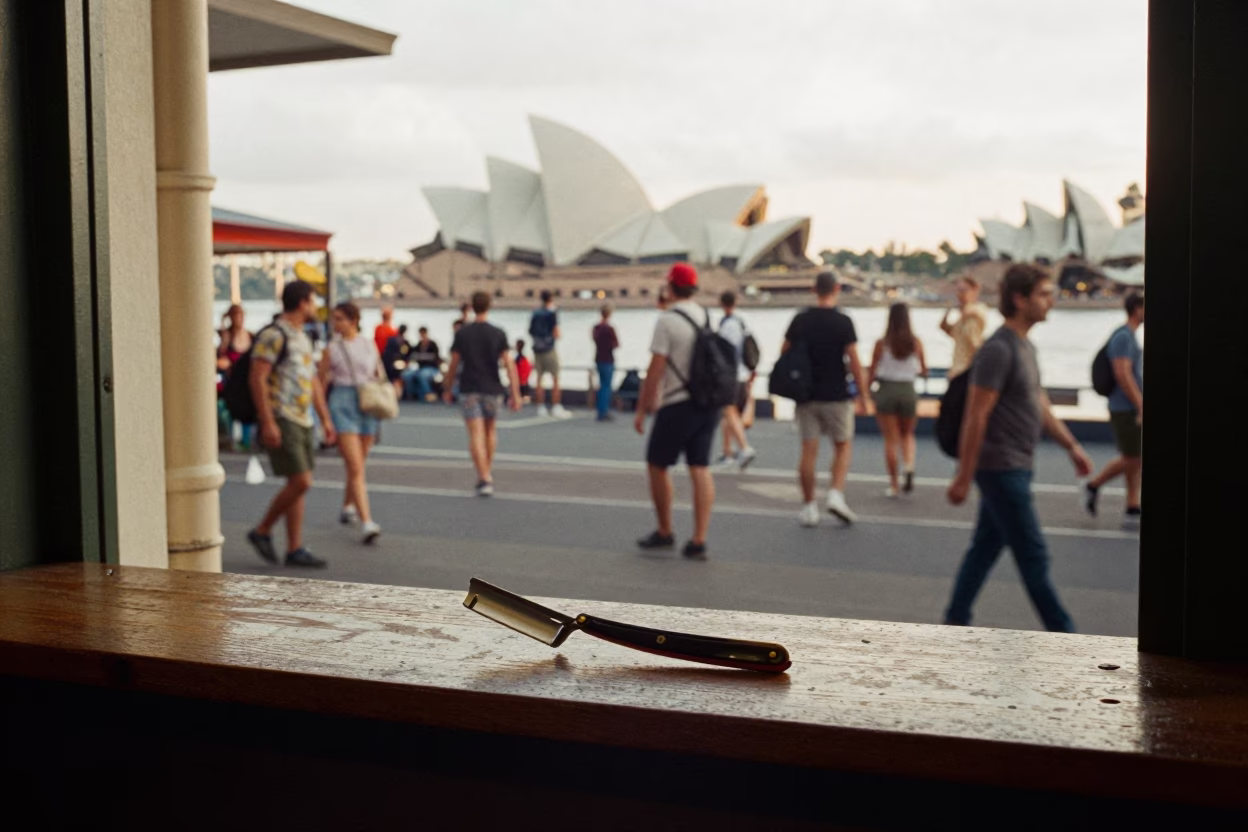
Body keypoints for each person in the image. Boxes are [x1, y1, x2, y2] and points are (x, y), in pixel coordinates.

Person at [944, 264, 1093, 633]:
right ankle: (1065, 636)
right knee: (1033, 555)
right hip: (1001, 468)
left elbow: (1040, 405)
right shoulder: (998, 349)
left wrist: (1071, 446)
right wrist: (963, 476)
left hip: (1017, 465)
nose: (1051, 301)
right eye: (1043, 294)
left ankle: (955, 618)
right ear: (1019, 299)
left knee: (985, 547)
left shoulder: (1025, 347)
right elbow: (976, 416)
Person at [246, 280, 336, 568]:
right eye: (313, 300)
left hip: (303, 418)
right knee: (301, 481)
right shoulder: (273, 335)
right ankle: (262, 530)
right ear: (302, 302)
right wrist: (267, 421)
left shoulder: (303, 337)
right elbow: (257, 378)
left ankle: (294, 548)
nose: (315, 306)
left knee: (298, 484)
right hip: (282, 416)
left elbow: (312, 381)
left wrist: (324, 418)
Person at [633, 263, 718, 559]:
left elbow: (655, 370)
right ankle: (699, 538)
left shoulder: (667, 320)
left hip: (677, 403)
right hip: (707, 402)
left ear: (670, 287)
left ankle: (665, 530)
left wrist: (642, 409)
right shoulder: (705, 315)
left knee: (657, 464)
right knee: (700, 467)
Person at [783, 272, 869, 527]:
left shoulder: (800, 319)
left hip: (806, 395)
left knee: (808, 450)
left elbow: (784, 352)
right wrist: (863, 395)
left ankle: (809, 507)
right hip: (837, 394)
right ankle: (835, 494)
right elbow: (854, 360)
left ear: (814, 290)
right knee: (842, 445)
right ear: (837, 289)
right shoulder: (843, 321)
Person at [443, 291, 522, 496]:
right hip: (492, 388)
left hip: (469, 387)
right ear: (489, 306)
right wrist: (515, 393)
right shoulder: (498, 333)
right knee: (490, 431)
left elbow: (453, 364)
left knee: (475, 434)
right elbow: (509, 365)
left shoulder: (462, 333)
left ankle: (484, 476)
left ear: (472, 306)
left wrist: (447, 387)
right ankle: (487, 470)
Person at [319, 302, 383, 543]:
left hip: (367, 401)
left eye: (340, 318)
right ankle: (367, 521)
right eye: (334, 318)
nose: (335, 323)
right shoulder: (331, 348)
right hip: (342, 402)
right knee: (356, 465)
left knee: (358, 462)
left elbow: (378, 373)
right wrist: (324, 417)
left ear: (353, 320)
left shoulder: (368, 344)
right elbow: (321, 381)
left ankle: (348, 505)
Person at [1085, 291, 1144, 530]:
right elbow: (1122, 373)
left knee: (1134, 457)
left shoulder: (1128, 335)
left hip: (1127, 406)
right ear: (1137, 309)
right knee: (1134, 457)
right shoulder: (1124, 337)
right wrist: (1140, 404)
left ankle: (1132, 505)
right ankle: (1094, 485)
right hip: (1125, 407)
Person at [869, 303, 928, 497]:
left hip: (886, 390)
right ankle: (909, 466)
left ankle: (894, 485)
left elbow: (872, 371)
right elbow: (924, 370)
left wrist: (867, 393)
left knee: (891, 439)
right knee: (908, 434)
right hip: (908, 390)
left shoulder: (881, 343)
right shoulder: (916, 343)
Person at [715, 290, 757, 469]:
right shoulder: (742, 322)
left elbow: (723, 351)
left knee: (729, 411)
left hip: (731, 375)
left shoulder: (728, 325)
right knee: (730, 414)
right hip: (743, 373)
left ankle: (744, 448)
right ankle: (727, 452)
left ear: (721, 303)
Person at [529, 289, 570, 418]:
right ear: (551, 299)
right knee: (555, 378)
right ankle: (556, 406)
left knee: (539, 379)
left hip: (537, 349)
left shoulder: (535, 313)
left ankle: (540, 407)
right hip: (549, 349)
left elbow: (530, 331)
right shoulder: (552, 313)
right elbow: (556, 332)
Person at [217, 304, 254, 448]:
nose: (239, 319)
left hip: (245, 378)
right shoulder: (227, 336)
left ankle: (246, 441)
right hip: (232, 379)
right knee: (230, 408)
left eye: (241, 316)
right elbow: (221, 355)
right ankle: (231, 439)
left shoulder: (249, 335)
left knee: (247, 409)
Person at [940, 274, 989, 378]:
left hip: (969, 370)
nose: (960, 294)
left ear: (975, 291)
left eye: (964, 290)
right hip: (956, 370)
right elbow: (944, 328)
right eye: (958, 291)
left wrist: (960, 307)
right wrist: (948, 311)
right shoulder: (961, 321)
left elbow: (969, 311)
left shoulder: (978, 310)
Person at [592, 304, 620, 422]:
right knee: (606, 386)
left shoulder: (596, 328)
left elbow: (594, 340)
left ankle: (600, 410)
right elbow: (616, 344)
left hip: (598, 358)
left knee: (601, 385)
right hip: (608, 359)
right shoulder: (610, 329)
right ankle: (604, 411)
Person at [403, 326, 441, 401]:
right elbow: (411, 354)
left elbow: (436, 357)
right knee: (406, 375)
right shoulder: (419, 345)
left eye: (423, 334)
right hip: (420, 368)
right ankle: (411, 394)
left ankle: (428, 393)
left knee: (422, 375)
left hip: (431, 368)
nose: (422, 336)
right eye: (421, 334)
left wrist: (423, 357)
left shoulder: (432, 344)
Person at [381, 324, 412, 399]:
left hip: (391, 364)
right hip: (392, 365)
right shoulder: (396, 341)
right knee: (395, 379)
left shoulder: (398, 341)